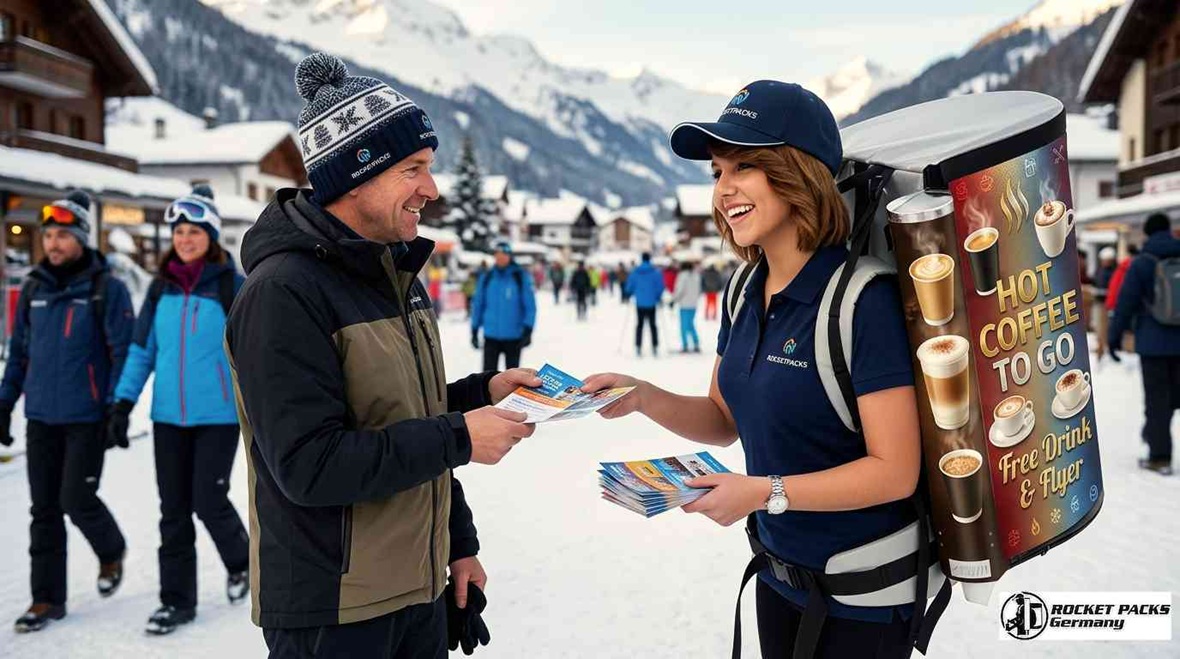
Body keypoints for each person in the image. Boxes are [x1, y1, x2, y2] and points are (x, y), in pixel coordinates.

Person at [583, 81, 922, 658]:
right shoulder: (744, 289)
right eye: (717, 171)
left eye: (744, 166)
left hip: (863, 598)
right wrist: (642, 394)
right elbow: (723, 417)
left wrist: (764, 492)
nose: (723, 190)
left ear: (798, 174)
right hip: (776, 576)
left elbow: (895, 473)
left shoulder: (862, 301)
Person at [224, 53, 538, 658]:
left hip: (414, 590)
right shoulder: (282, 293)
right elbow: (310, 464)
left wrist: (458, 541)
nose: (432, 189)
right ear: (355, 174)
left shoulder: (395, 273)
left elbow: (406, 416)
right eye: (414, 169)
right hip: (334, 610)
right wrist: (461, 435)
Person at [106, 185, 251, 635]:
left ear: (210, 234)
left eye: (194, 231)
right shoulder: (160, 287)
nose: (185, 239)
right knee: (172, 510)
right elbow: (142, 350)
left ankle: (242, 561)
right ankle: (176, 602)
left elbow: (253, 351)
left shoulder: (233, 285)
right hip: (168, 416)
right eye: (179, 231)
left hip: (219, 417)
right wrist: (123, 402)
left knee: (208, 500)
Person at [0, 190, 133, 633]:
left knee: (75, 498)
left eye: (62, 235)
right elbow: (18, 354)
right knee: (43, 510)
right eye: (48, 235)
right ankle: (46, 600)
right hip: (40, 416)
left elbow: (121, 353)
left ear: (81, 237)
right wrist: (5, 404)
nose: (52, 243)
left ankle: (111, 548)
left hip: (86, 417)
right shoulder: (34, 288)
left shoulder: (104, 289)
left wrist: (116, 407)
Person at [1108, 213, 1180, 476]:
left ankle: (1160, 457)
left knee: (1157, 400)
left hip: (1152, 344)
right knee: (1171, 397)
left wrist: (1114, 337)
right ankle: (1155, 432)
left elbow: (1125, 303)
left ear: (1148, 234)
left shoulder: (1142, 263)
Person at [471, 242, 537, 370]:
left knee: (511, 378)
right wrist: (474, 329)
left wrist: (528, 328)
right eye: (498, 255)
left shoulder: (519, 277)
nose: (501, 258)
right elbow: (478, 304)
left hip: (514, 336)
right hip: (491, 336)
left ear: (510, 256)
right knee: (487, 378)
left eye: (504, 255)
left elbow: (530, 305)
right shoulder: (488, 277)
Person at [624, 253, 666, 357]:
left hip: (640, 303)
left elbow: (629, 286)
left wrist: (630, 293)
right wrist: (658, 296)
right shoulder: (655, 272)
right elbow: (660, 286)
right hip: (651, 303)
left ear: (641, 259)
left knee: (639, 325)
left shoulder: (636, 272)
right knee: (653, 325)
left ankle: (638, 346)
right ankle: (655, 346)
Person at [671, 261, 702, 353]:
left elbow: (680, 290)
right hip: (693, 304)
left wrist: (673, 300)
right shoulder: (696, 276)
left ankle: (685, 345)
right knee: (691, 324)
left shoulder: (682, 276)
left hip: (684, 304)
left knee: (684, 326)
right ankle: (696, 343)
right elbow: (699, 290)